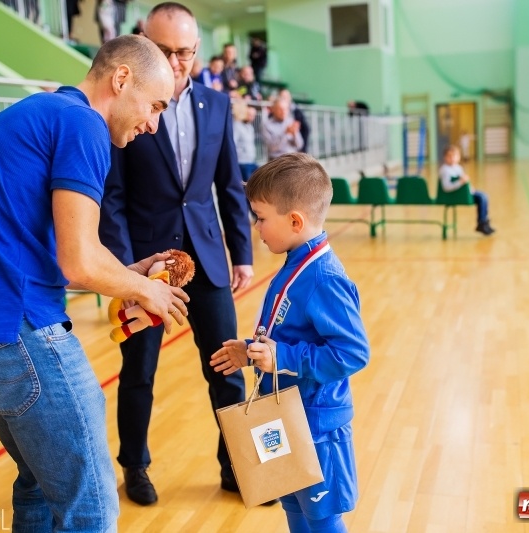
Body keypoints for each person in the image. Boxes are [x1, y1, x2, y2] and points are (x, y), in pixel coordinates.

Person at [0, 36, 188, 532]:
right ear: (121, 79)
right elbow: (79, 263)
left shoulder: (42, 113)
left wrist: (128, 275)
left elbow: (48, 256)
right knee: (91, 508)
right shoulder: (82, 124)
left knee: (41, 489)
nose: (154, 124)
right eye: (155, 105)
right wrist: (147, 291)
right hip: (18, 332)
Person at [98, 2, 254, 506]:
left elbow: (229, 185)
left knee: (226, 368)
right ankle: (136, 466)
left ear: (196, 50)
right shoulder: (127, 105)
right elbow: (113, 195)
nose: (175, 60)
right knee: (139, 373)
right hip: (146, 264)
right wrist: (126, 271)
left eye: (183, 51)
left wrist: (242, 253)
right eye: (163, 50)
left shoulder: (218, 104)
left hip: (207, 259)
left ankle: (236, 466)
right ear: (143, 44)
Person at [211, 152, 370, 533]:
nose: (256, 227)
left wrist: (280, 355)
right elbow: (288, 334)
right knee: (294, 510)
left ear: (295, 220)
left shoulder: (324, 278)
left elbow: (352, 352)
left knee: (323, 518)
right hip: (284, 414)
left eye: (261, 218)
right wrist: (251, 351)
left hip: (316, 424)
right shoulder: (295, 263)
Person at [439, 144, 495, 235]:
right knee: (481, 197)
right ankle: (481, 222)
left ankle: (484, 222)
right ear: (445, 157)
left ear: (459, 157)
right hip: (453, 195)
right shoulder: (445, 170)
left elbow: (465, 184)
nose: (452, 158)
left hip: (461, 193)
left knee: (484, 196)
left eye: (454, 156)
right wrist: (460, 182)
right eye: (449, 156)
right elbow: (447, 187)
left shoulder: (458, 168)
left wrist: (470, 189)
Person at [263, 96, 303, 160]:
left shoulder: (290, 121)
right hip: (276, 161)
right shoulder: (267, 125)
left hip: (292, 160)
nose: (283, 112)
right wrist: (285, 133)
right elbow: (272, 148)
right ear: (273, 109)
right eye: (280, 109)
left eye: (285, 109)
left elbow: (299, 145)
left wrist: (294, 134)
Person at [232, 100, 258, 183]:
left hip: (251, 161)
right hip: (242, 162)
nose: (252, 117)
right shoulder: (237, 125)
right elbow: (233, 143)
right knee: (247, 187)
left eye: (253, 115)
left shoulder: (250, 127)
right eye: (250, 115)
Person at [278, 89, 309, 153]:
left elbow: (306, 129)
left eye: (286, 97)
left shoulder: (296, 111)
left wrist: (303, 149)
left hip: (295, 146)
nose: (284, 99)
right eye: (282, 97)